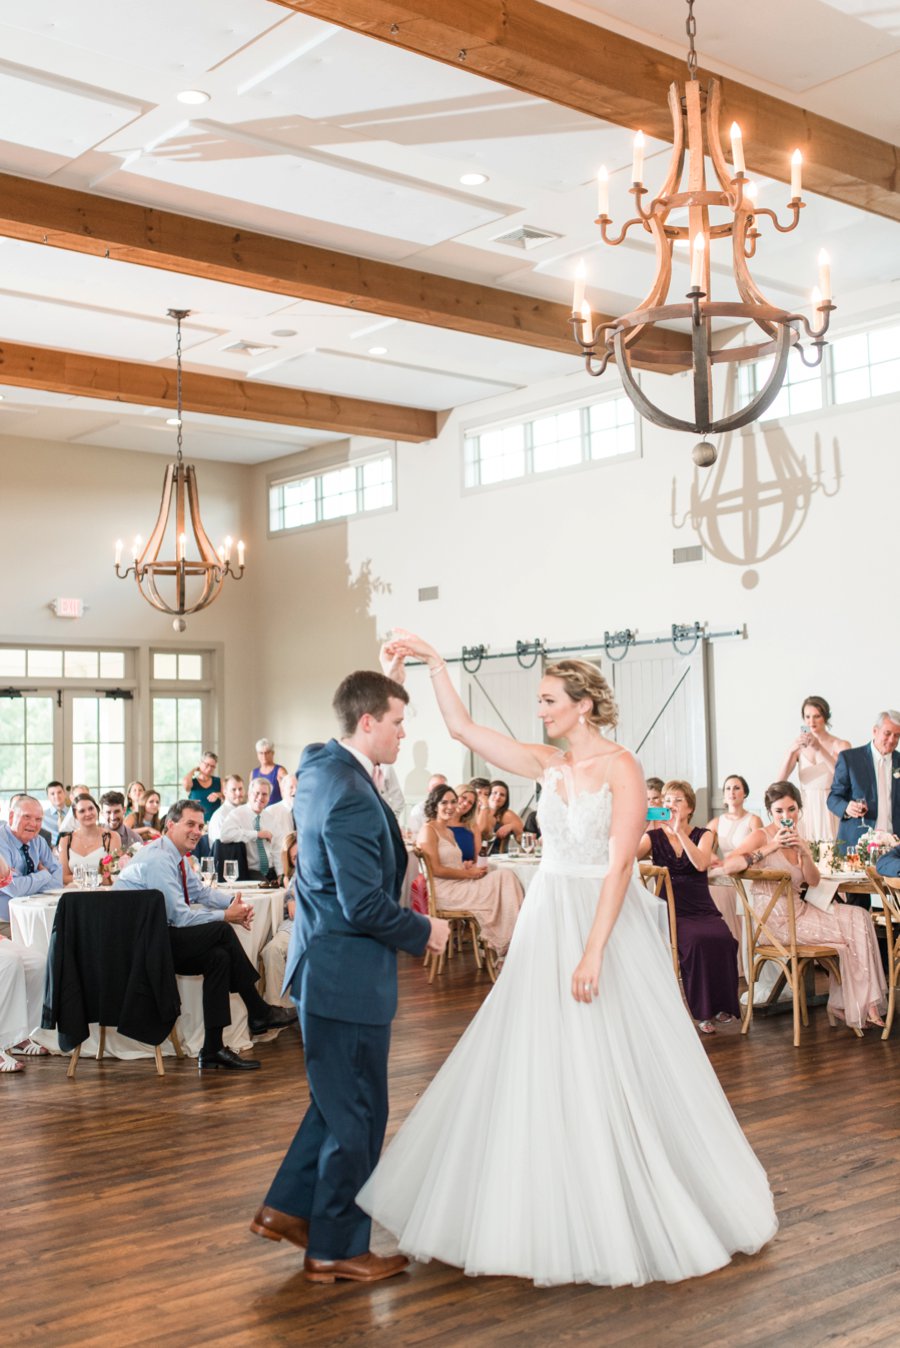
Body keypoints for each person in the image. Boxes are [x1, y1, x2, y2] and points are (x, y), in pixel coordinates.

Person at [355, 630, 777, 1287]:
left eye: (549, 700)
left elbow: (617, 868)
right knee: (533, 1047)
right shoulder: (545, 765)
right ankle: (539, 1192)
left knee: (613, 1051)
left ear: (582, 705)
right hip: (546, 913)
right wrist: (435, 664)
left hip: (601, 919)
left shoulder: (622, 767)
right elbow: (464, 729)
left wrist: (593, 949)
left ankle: (621, 1193)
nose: (541, 710)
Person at [250, 661, 449, 1285]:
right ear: (367, 723)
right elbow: (363, 904)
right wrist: (426, 930)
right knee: (358, 1110)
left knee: (337, 1102)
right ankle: (337, 1247)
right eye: (396, 721)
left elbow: (334, 732)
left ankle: (288, 1210)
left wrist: (380, 673)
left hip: (326, 965)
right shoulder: (351, 797)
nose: (402, 731)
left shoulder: (319, 767)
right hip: (346, 973)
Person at [114, 800, 293, 1070]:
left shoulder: (176, 856)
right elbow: (181, 916)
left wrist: (234, 903)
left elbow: (200, 893)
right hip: (140, 946)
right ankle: (258, 1010)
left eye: (200, 826)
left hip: (157, 937)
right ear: (170, 825)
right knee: (221, 929)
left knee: (219, 957)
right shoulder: (160, 859)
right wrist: (227, 916)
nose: (197, 831)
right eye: (190, 824)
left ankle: (213, 1049)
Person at [713, 781, 886, 1030]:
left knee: (859, 916)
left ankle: (861, 1003)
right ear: (770, 812)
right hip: (772, 922)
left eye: (791, 809)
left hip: (800, 912)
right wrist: (773, 846)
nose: (786, 816)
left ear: (799, 809)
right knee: (852, 930)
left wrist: (804, 851)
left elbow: (813, 881)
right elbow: (729, 865)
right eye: (779, 811)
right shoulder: (762, 835)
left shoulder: (799, 837)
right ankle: (857, 1005)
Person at [638, 780, 740, 1034]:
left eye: (678, 801)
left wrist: (679, 832)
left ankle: (721, 1006)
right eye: (667, 801)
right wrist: (640, 823)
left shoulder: (704, 834)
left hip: (701, 906)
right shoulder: (653, 837)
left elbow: (701, 864)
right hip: (672, 909)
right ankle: (702, 1012)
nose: (671, 805)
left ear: (690, 807)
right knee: (695, 942)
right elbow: (628, 853)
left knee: (724, 939)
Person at [417, 784, 523, 954]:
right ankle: (508, 946)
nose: (450, 807)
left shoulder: (447, 831)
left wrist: (464, 866)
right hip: (445, 891)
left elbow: (451, 862)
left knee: (506, 877)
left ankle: (510, 943)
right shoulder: (428, 830)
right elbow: (435, 869)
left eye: (453, 802)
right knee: (505, 879)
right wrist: (467, 873)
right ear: (434, 805)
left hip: (459, 883)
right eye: (444, 803)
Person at [775, 696, 849, 841]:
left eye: (817, 716)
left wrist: (819, 748)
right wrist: (791, 750)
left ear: (825, 717)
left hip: (831, 805)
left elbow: (843, 777)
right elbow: (779, 781)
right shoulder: (799, 749)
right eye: (807, 717)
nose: (811, 722)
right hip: (807, 808)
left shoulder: (841, 745)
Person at [827, 711, 900, 847]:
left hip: (895, 846)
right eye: (887, 733)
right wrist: (847, 808)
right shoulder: (850, 759)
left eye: (897, 736)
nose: (891, 740)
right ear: (875, 731)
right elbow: (833, 799)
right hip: (857, 843)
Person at [0, 797, 63, 934]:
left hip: (37, 918)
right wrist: (44, 874)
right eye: (26, 817)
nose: (33, 824)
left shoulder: (38, 841)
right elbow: (13, 888)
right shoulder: (1, 842)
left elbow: (57, 882)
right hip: (5, 922)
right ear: (11, 817)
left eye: (38, 819)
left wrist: (27, 885)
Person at [259, 833, 298, 1010]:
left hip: (308, 927)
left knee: (273, 950)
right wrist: (290, 897)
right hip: (292, 925)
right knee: (270, 950)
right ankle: (277, 1011)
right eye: (295, 858)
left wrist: (292, 898)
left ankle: (277, 1011)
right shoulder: (293, 876)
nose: (300, 861)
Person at [59, 794, 120, 886]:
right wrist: (96, 877)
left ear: (97, 810)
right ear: (75, 816)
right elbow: (64, 877)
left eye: (91, 808)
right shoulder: (65, 840)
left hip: (104, 894)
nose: (88, 813)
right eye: (82, 811)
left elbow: (113, 876)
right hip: (75, 894)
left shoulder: (112, 837)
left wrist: (80, 878)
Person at [221, 776, 275, 877]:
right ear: (249, 794)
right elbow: (225, 835)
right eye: (257, 793)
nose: (260, 797)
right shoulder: (237, 814)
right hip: (251, 872)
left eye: (264, 794)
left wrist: (282, 874)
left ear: (269, 798)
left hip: (272, 870)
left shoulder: (270, 817)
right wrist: (257, 834)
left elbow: (277, 847)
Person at [706, 774, 763, 855]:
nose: (731, 792)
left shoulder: (754, 820)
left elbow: (760, 852)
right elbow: (703, 852)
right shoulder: (716, 823)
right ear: (724, 794)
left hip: (749, 867)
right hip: (724, 866)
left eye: (736, 788)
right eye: (728, 788)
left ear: (745, 793)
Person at [182, 751, 223, 824]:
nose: (210, 768)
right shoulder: (192, 782)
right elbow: (185, 784)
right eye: (207, 765)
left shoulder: (218, 781)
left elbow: (226, 796)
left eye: (212, 766)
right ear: (200, 763)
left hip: (214, 823)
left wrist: (218, 795)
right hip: (195, 823)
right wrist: (194, 770)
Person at [485, 779, 524, 854]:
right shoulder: (477, 811)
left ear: (506, 799)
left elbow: (522, 841)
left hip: (498, 859)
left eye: (502, 795)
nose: (498, 797)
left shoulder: (508, 815)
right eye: (494, 793)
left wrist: (512, 826)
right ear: (488, 794)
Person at [207, 775, 245, 845]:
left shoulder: (244, 812)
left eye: (240, 789)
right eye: (234, 789)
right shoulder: (220, 816)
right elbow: (221, 848)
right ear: (225, 792)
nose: (238, 793)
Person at [251, 738, 288, 805]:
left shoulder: (280, 771)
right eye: (261, 753)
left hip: (276, 811)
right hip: (259, 811)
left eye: (267, 753)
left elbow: (288, 793)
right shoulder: (254, 773)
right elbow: (250, 796)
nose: (264, 756)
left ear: (272, 753)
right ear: (257, 754)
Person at [451, 783, 482, 860]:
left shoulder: (472, 827)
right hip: (449, 870)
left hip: (470, 870)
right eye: (463, 798)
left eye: (470, 803)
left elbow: (479, 859)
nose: (465, 804)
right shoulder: (439, 824)